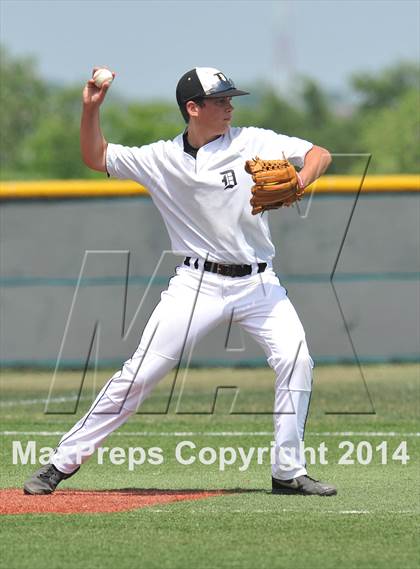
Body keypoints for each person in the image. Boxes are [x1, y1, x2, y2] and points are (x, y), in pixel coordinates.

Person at [24, 67, 336, 496]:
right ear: (193, 108)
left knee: (296, 360)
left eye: (231, 99)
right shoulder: (161, 159)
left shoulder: (252, 140)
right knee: (140, 375)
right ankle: (60, 463)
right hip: (196, 284)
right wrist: (90, 109)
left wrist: (300, 181)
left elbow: (320, 153)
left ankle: (288, 471)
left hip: (259, 282)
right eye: (220, 100)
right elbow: (96, 157)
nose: (230, 106)